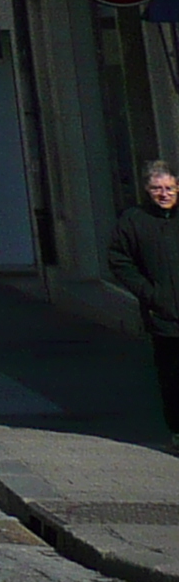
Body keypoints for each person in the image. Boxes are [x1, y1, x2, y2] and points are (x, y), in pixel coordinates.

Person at [110, 162, 179, 448]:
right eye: (157, 189)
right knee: (173, 378)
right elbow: (119, 260)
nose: (163, 194)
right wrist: (149, 294)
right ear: (147, 191)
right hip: (164, 315)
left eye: (169, 188)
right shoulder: (133, 220)